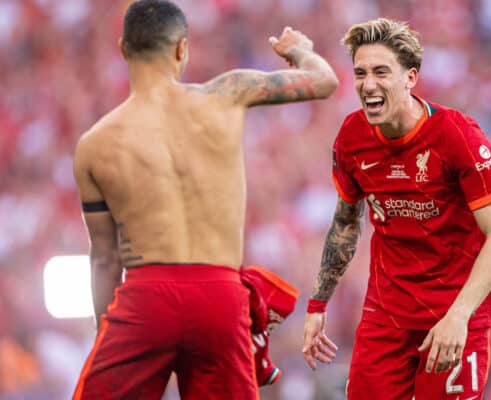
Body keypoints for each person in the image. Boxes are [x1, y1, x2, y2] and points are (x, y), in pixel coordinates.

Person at [71, 0, 338, 399]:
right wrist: (298, 49)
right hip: (220, 297)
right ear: (182, 48)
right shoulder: (228, 93)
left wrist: (105, 332)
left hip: (146, 299)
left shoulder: (93, 145)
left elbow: (105, 258)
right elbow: (325, 80)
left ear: (124, 48)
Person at [302, 18, 491, 400]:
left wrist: (459, 316)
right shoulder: (352, 138)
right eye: (361, 73)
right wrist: (318, 304)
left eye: (381, 72)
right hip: (386, 317)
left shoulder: (456, 135)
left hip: (452, 316)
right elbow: (346, 225)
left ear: (410, 78)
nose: (368, 84)